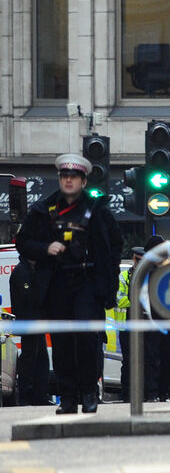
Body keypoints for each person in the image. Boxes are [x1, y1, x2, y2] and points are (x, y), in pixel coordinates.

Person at [16, 153, 121, 414]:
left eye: (74, 177)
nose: (69, 181)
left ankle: (88, 392)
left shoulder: (98, 211)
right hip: (57, 284)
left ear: (84, 181)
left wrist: (107, 287)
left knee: (87, 339)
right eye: (64, 176)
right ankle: (69, 397)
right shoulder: (44, 210)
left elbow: (114, 247)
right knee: (62, 343)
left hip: (87, 282)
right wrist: (45, 247)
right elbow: (23, 242)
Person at [117, 235, 170, 401]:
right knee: (144, 359)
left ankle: (160, 392)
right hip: (141, 321)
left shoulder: (169, 270)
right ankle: (148, 394)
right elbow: (127, 298)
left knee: (166, 356)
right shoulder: (137, 273)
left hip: (164, 320)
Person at [9, 253, 51, 405]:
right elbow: (29, 297)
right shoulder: (22, 271)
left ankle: (40, 396)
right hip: (28, 323)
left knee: (41, 361)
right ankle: (26, 396)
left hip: (37, 323)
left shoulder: (32, 270)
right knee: (29, 359)